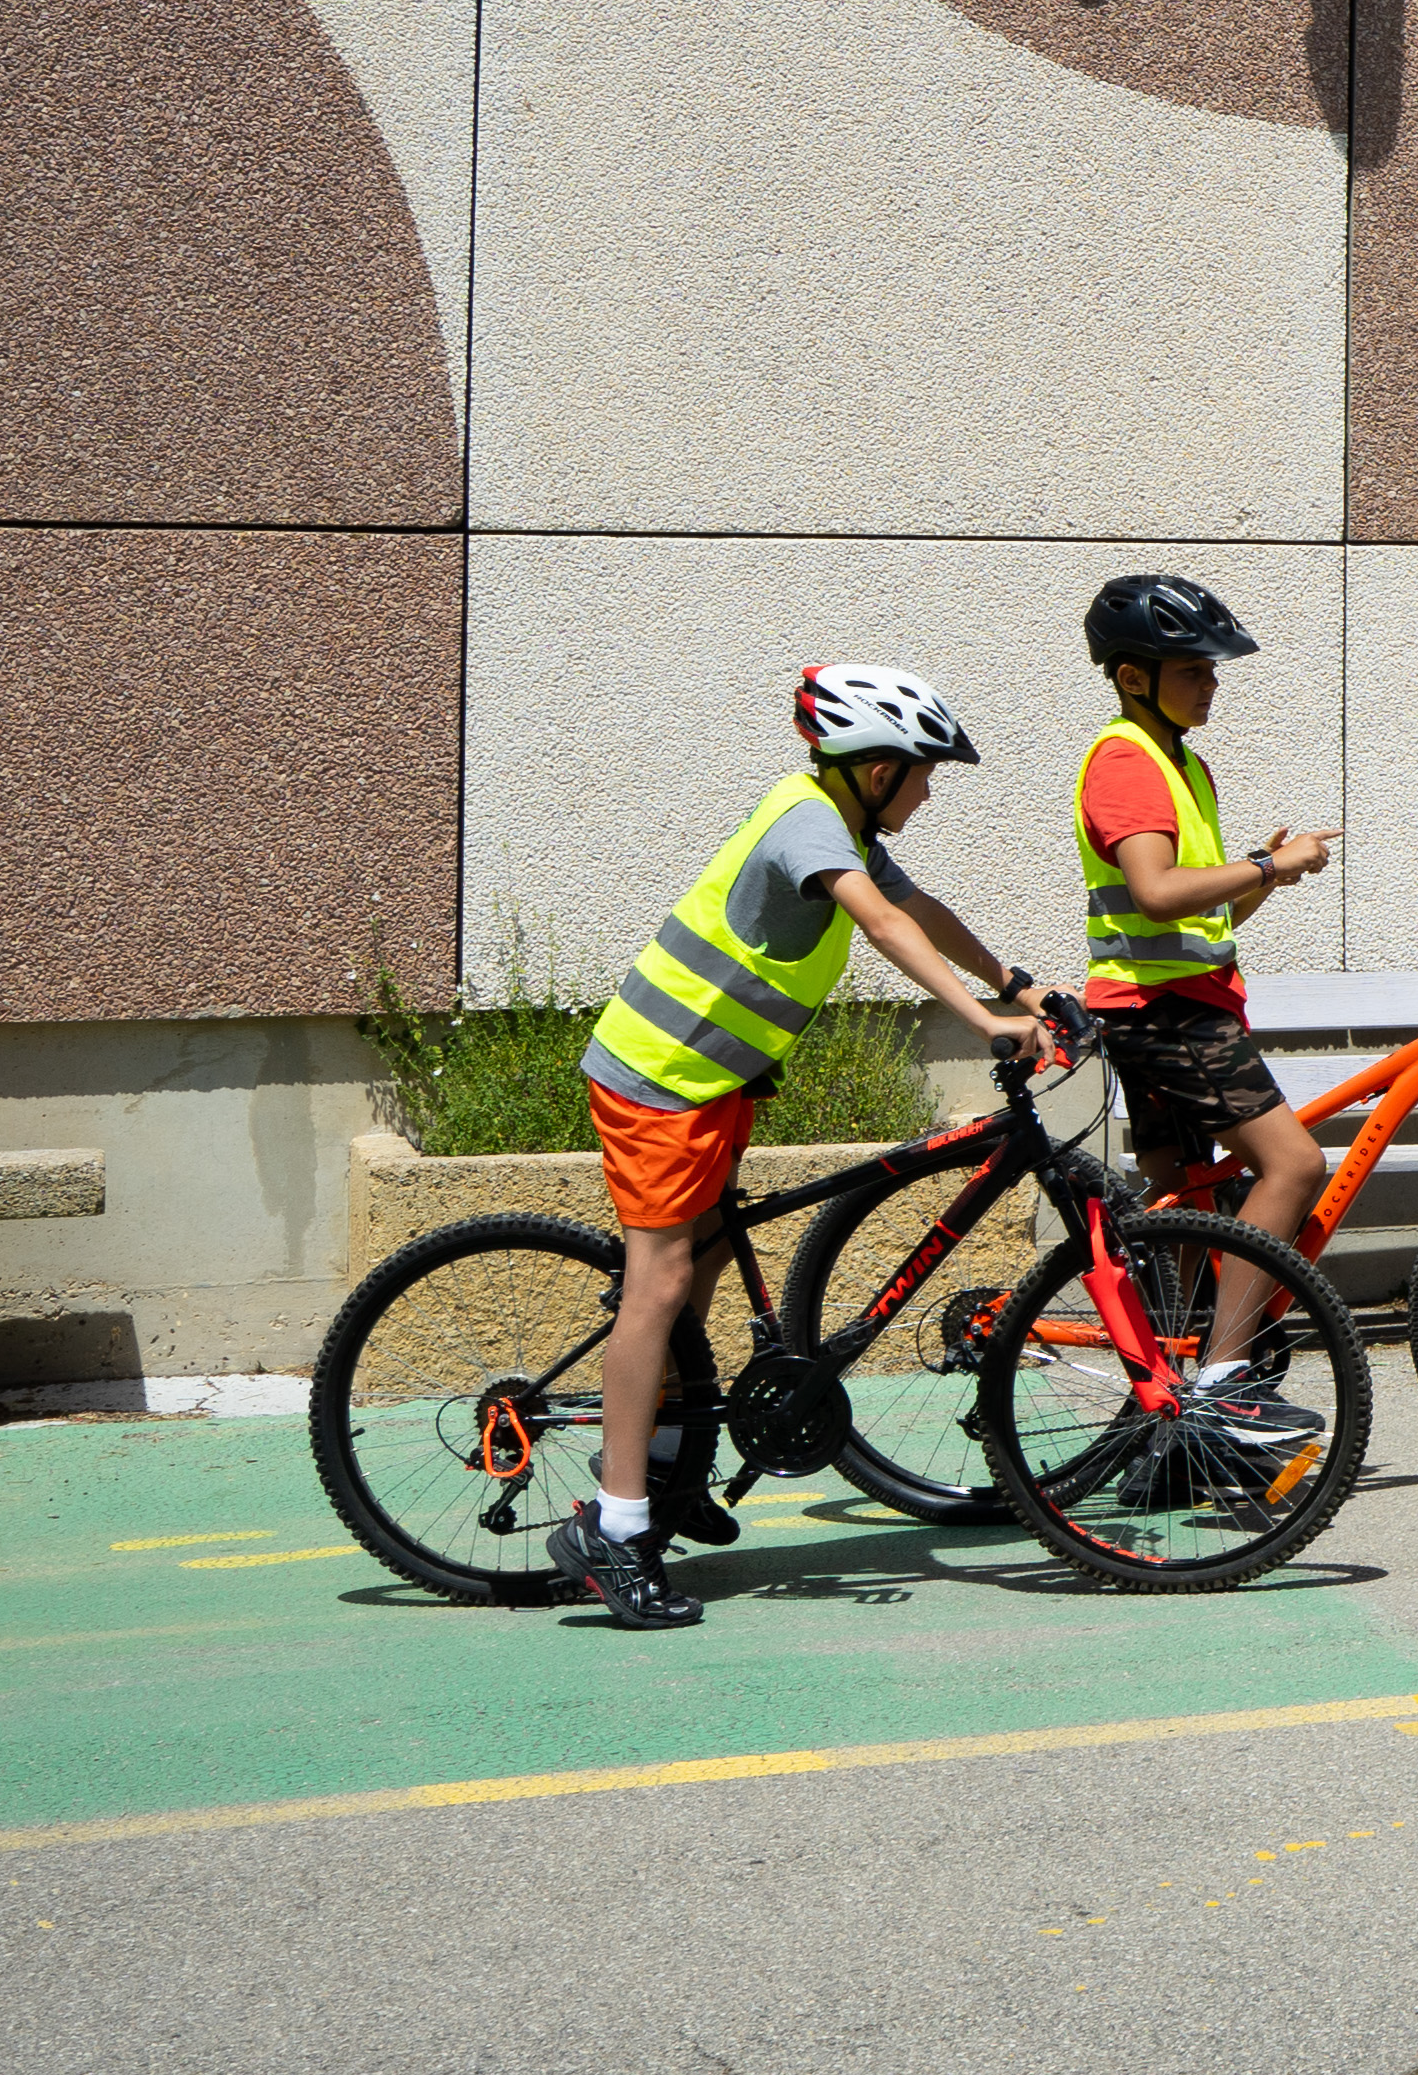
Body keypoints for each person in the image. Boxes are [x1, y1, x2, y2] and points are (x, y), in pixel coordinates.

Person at [554, 666, 1044, 1630]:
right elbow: (884, 922)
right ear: (872, 771)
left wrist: (1015, 980)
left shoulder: (843, 819)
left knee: (690, 1287)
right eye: (922, 772)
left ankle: (662, 1480)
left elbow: (924, 907)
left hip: (715, 1077)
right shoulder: (809, 824)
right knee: (658, 1288)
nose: (929, 791)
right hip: (661, 1075)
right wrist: (978, 1017)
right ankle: (611, 1528)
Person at [1074, 573, 1341, 1407]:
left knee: (1186, 1207)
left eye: (1213, 671)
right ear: (1132, 676)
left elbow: (1192, 907)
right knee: (1293, 1166)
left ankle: (1161, 1393)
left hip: (1165, 1001)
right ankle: (1226, 1382)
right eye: (1193, 670)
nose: (1210, 685)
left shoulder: (1182, 765)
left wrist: (1257, 879)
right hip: (1166, 1010)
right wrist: (1266, 864)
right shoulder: (1128, 762)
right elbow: (1154, 891)